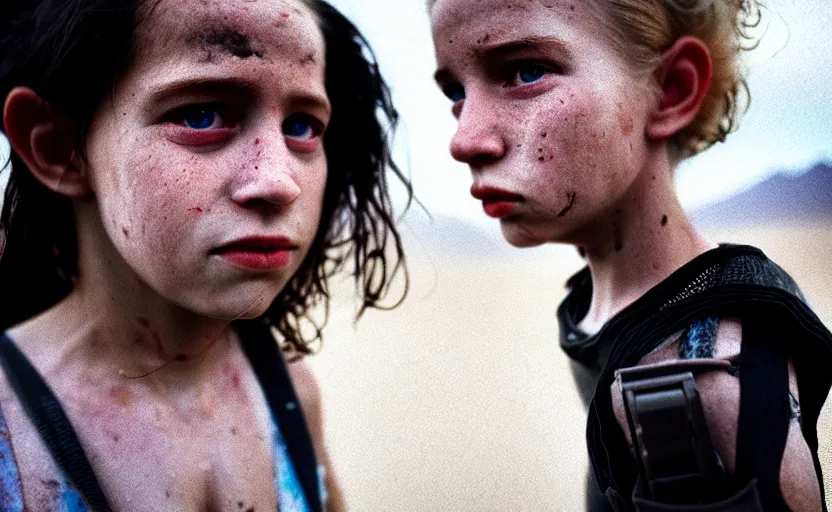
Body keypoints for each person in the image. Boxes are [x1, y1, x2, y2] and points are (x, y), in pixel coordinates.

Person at [0, 0, 409, 510]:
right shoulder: (9, 428)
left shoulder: (288, 396)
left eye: (302, 126)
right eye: (202, 114)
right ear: (57, 147)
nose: (277, 181)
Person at [428, 0, 832, 510]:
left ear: (671, 91)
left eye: (525, 72)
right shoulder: (600, 305)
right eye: (456, 92)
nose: (464, 140)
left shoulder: (699, 387)